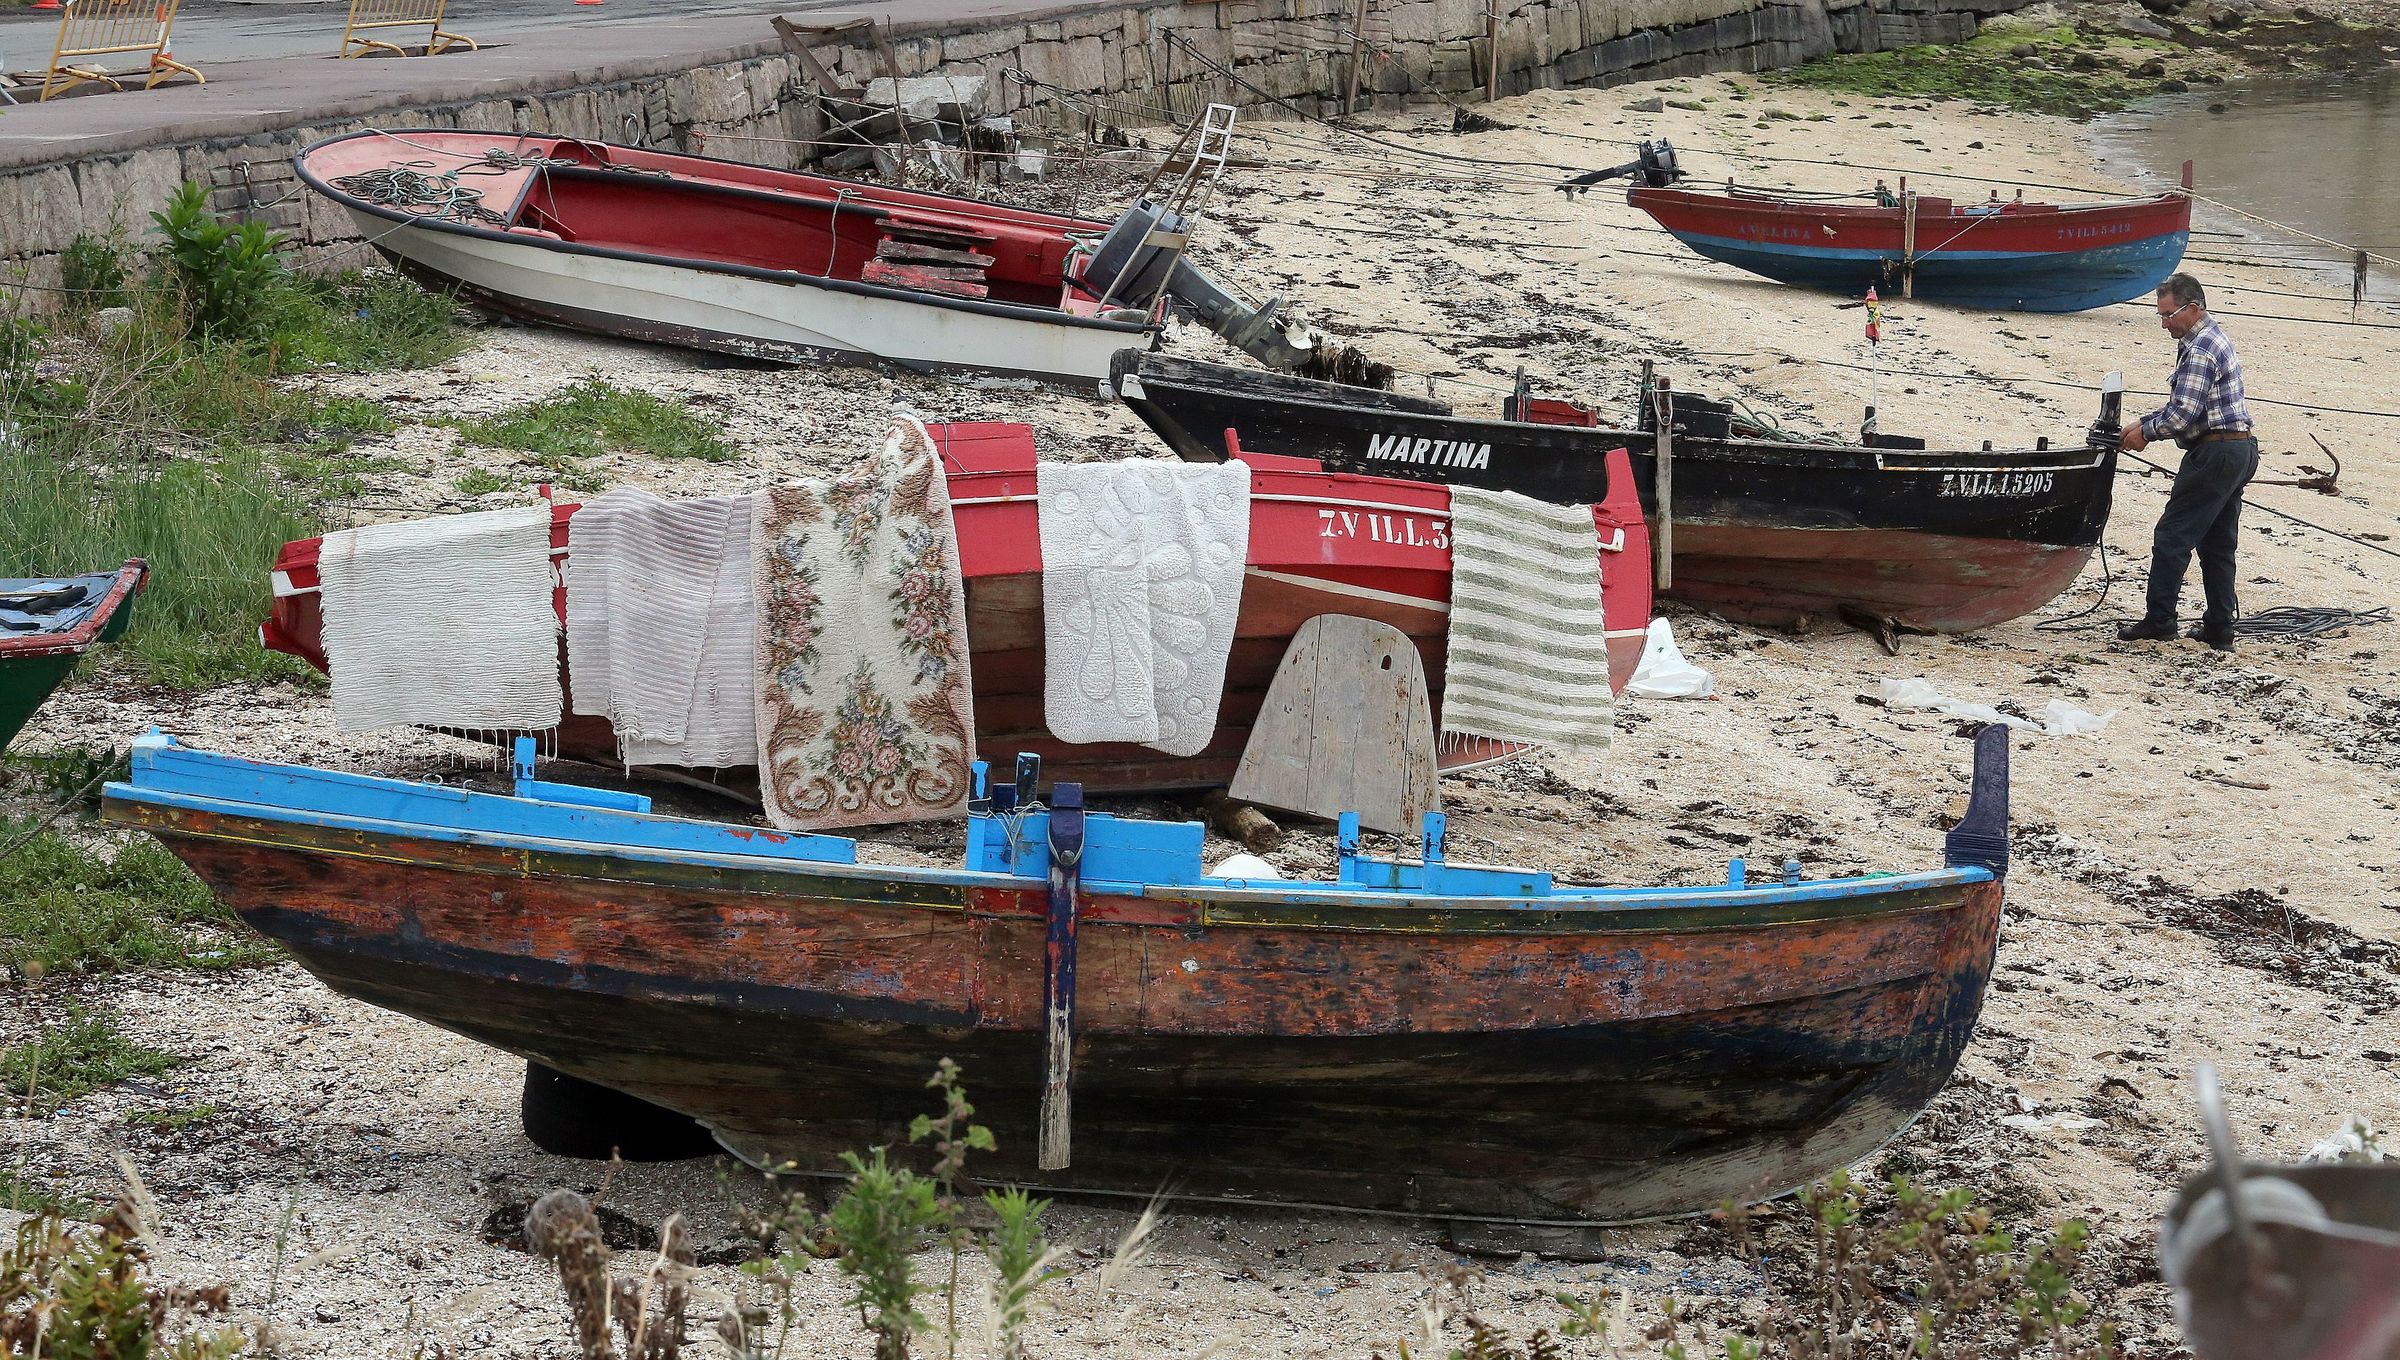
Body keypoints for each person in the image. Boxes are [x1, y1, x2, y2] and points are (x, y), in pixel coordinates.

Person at [2117, 273, 2257, 653]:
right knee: (2217, 544)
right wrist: (2142, 422)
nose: (2164, 323)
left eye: (2168, 315)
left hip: (2216, 454)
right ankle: (2219, 627)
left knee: (2171, 538)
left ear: (2193, 308)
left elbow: (2182, 417)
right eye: (2160, 315)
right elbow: (2184, 407)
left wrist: (2145, 434)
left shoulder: (2200, 350)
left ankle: (2160, 621)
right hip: (2238, 449)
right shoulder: (2207, 339)